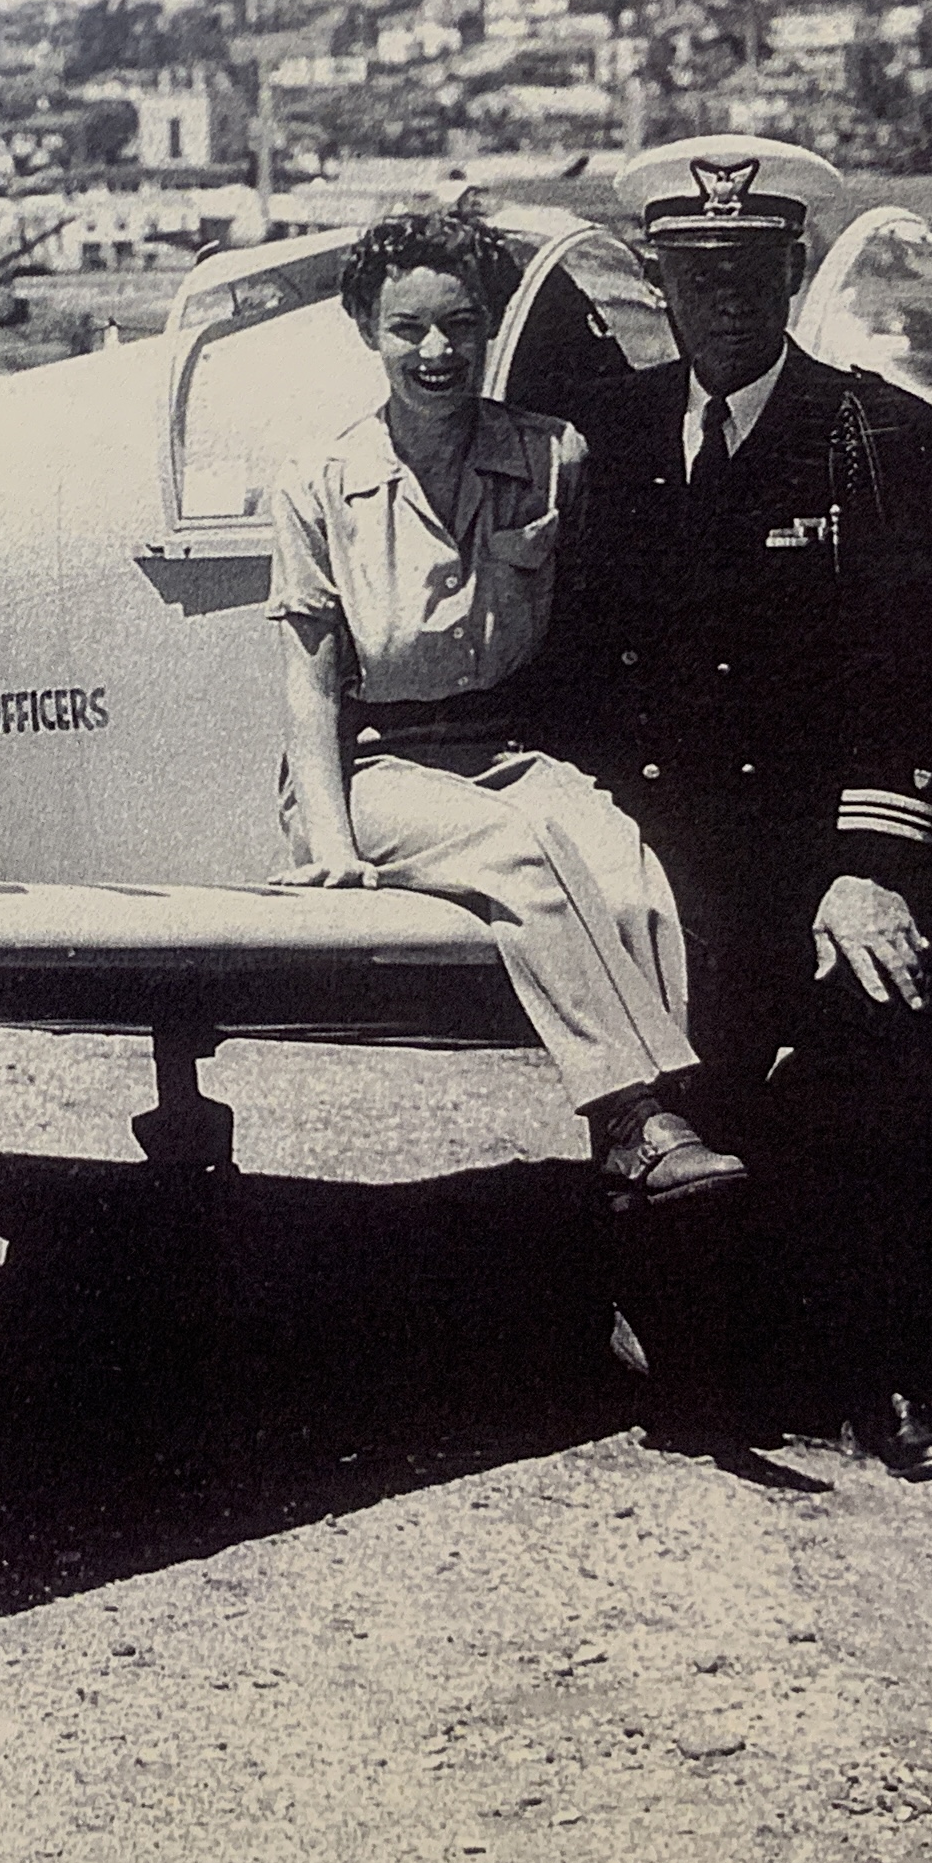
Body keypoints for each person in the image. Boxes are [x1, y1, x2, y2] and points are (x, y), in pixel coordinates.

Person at [543, 137, 932, 1479]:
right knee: (674, 1104)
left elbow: (927, 673)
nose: (723, 296)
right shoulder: (617, 438)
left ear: (792, 272)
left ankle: (896, 1380)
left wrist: (870, 864)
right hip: (668, 851)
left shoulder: (880, 436)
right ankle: (705, 1351)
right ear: (660, 274)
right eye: (696, 269)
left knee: (870, 1067)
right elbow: (583, 661)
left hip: (827, 853)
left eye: (752, 268)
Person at [268, 210, 741, 1205]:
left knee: (626, 870)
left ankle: (663, 1134)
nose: (438, 352)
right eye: (410, 329)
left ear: (489, 329)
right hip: (377, 766)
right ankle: (631, 1121)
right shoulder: (319, 483)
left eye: (461, 325)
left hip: (508, 751)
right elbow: (309, 679)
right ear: (368, 331)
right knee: (521, 857)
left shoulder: (551, 455)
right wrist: (328, 839)